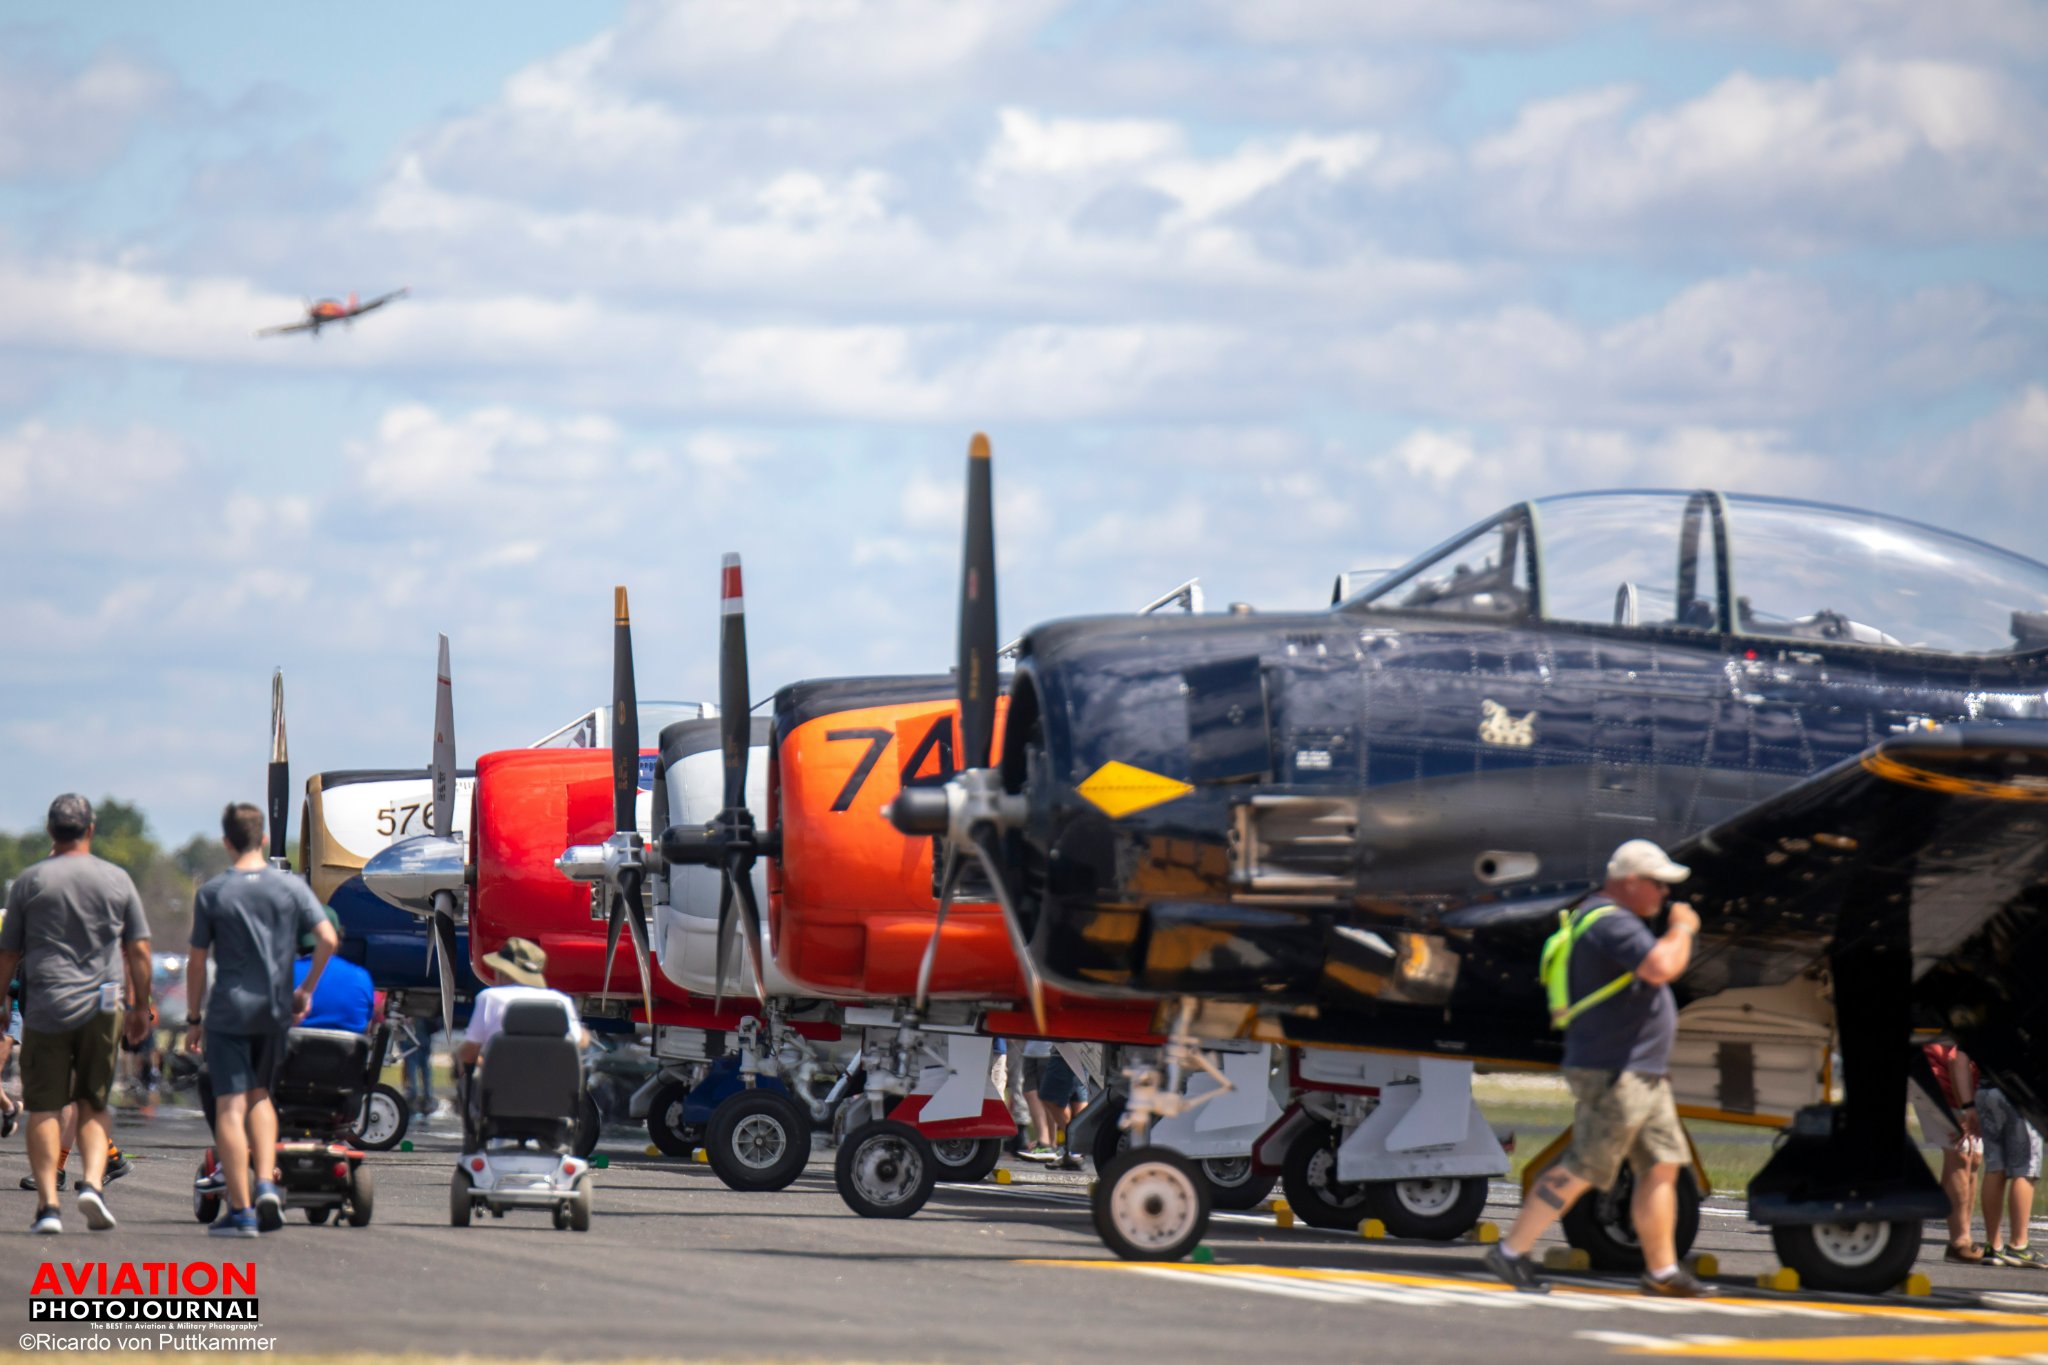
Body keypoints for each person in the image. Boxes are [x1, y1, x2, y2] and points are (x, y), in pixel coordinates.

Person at [1489, 839, 1711, 1297]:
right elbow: (1660, 966)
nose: (1664, 894)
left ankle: (1662, 1271)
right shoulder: (1611, 923)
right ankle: (1510, 1252)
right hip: (1618, 1072)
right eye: (1658, 883)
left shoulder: (1608, 919)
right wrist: (1683, 930)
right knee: (1586, 1166)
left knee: (1663, 1166)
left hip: (1640, 1072)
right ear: (1630, 882)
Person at [0, 794, 153, 1235]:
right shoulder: (116, 879)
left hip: (47, 1004)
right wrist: (141, 1006)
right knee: (91, 1100)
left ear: (50, 831)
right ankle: (92, 1183)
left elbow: (8, 952)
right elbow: (138, 949)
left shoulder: (29, 882)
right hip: (103, 1004)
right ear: (90, 830)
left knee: (46, 1104)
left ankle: (48, 1204)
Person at [186, 802, 336, 1238]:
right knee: (261, 1096)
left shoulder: (213, 893)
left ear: (226, 842)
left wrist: (194, 1017)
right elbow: (327, 937)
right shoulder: (289, 888)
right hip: (273, 1008)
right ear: (265, 839)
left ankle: (242, 1208)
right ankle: (268, 1181)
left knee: (229, 1105)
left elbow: (197, 962)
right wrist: (305, 989)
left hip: (229, 1009)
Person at [453, 938, 585, 1147]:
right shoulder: (560, 1001)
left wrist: (467, 1059)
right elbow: (580, 1041)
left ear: (506, 972)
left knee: (462, 1067)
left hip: (498, 1101)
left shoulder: (490, 998)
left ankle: (474, 1140)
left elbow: (469, 1053)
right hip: (551, 1101)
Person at [1912, 1041, 1986, 1264]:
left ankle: (1963, 1233)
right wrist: (1965, 1110)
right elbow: (1955, 1061)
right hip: (1939, 1084)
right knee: (1961, 1154)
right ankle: (1959, 1241)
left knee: (1974, 1158)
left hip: (1961, 1089)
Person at [1979, 1080, 2046, 1268]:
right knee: (2026, 1169)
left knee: (1994, 1168)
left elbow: (1960, 1058)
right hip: (2019, 1093)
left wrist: (1967, 1103)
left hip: (1985, 1090)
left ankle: (1993, 1246)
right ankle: (2018, 1244)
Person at [293, 909, 374, 1034]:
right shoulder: (361, 977)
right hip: (347, 1053)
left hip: (291, 1051)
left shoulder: (283, 975)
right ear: (339, 936)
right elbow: (366, 1026)